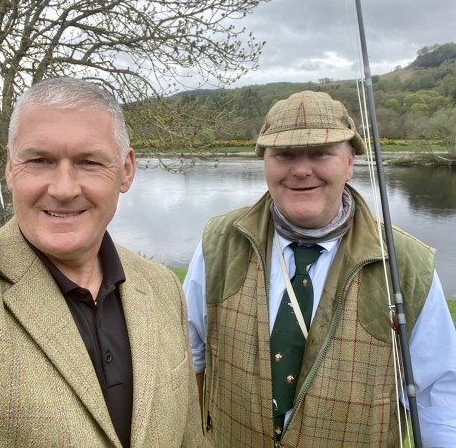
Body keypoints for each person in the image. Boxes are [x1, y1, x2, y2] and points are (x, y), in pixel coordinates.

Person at [183, 90, 456, 447]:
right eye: (284, 155)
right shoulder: (218, 243)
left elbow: (438, 398)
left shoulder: (407, 264)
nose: (300, 170)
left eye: (319, 153)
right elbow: (190, 357)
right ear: (264, 161)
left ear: (349, 162)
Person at [0, 77, 203, 447]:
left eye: (89, 162)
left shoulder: (163, 287)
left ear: (126, 170)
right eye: (40, 161)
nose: (64, 189)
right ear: (10, 168)